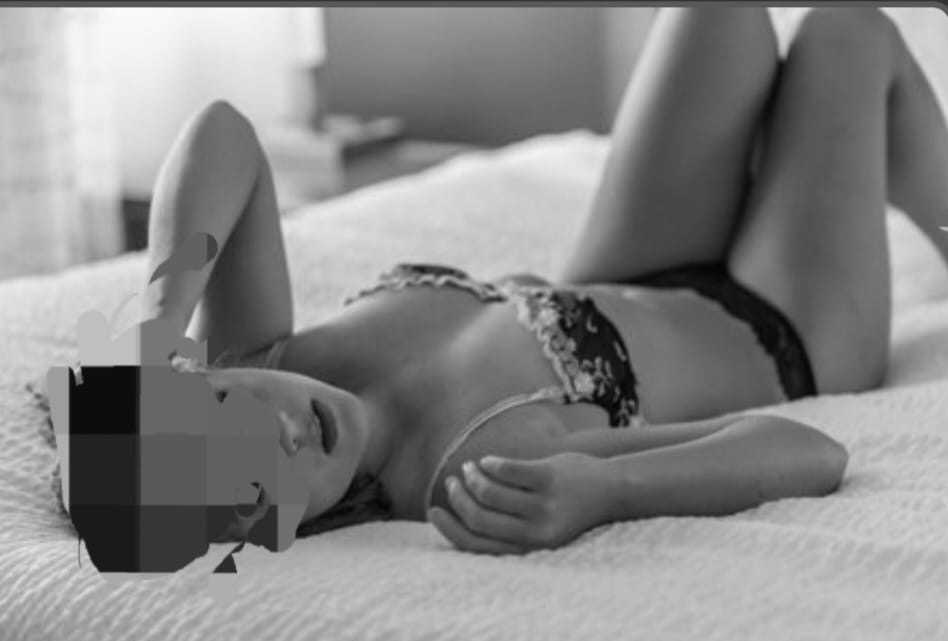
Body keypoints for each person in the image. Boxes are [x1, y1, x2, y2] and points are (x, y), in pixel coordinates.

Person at [138, 7, 948, 555]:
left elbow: (225, 135)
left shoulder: (267, 352)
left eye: (229, 408)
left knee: (717, 13)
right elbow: (810, 451)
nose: (281, 434)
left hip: (627, 270)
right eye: (255, 484)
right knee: (848, 32)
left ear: (203, 373)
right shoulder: (470, 468)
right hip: (782, 328)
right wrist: (607, 486)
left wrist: (156, 327)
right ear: (271, 533)